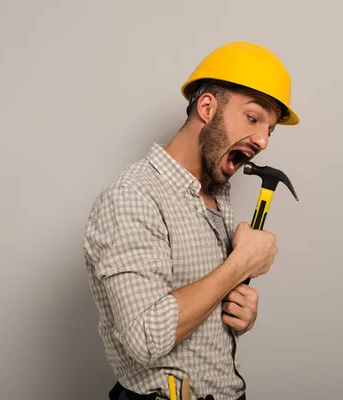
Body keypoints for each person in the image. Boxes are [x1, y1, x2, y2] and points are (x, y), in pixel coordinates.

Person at [82, 41, 300, 400]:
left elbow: (203, 310)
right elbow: (146, 337)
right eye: (253, 117)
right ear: (207, 107)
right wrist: (240, 263)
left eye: (270, 130)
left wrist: (240, 315)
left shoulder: (215, 196)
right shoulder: (133, 196)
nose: (262, 140)